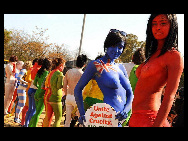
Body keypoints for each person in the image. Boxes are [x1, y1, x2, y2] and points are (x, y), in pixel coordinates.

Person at [129, 14, 184, 127]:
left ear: (172, 26)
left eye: (163, 23)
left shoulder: (174, 56)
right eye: (154, 24)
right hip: (135, 118)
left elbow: (170, 96)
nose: (158, 27)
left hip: (151, 120)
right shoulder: (152, 55)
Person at [74, 29, 134, 127]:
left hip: (118, 122)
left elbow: (130, 94)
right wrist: (82, 113)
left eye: (120, 47)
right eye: (113, 46)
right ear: (107, 45)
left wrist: (125, 111)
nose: (116, 50)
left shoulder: (121, 68)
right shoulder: (97, 65)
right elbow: (78, 89)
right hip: (103, 121)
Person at [63, 54, 87, 127]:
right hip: (77, 98)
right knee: (80, 120)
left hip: (69, 96)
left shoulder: (69, 72)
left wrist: (66, 94)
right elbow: (84, 88)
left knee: (67, 120)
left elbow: (64, 85)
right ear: (84, 64)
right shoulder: (82, 74)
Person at [42, 58, 65, 127]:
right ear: (61, 65)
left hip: (48, 96)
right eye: (64, 65)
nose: (64, 67)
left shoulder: (51, 72)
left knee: (47, 117)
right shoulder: (59, 74)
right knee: (58, 118)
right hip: (56, 97)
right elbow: (59, 86)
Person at [29, 58, 51, 127]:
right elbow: (46, 84)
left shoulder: (39, 72)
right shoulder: (47, 73)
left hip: (37, 93)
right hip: (42, 94)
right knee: (38, 113)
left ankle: (30, 125)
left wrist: (39, 88)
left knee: (35, 112)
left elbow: (35, 83)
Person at [24, 58, 42, 127]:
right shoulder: (39, 70)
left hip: (30, 89)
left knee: (30, 109)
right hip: (35, 90)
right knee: (33, 109)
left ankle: (26, 124)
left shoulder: (32, 69)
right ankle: (30, 124)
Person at [21, 61, 33, 126]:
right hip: (29, 87)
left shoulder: (26, 71)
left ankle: (24, 121)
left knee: (27, 106)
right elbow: (28, 79)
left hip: (28, 87)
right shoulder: (28, 71)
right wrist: (33, 81)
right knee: (27, 106)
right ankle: (24, 122)